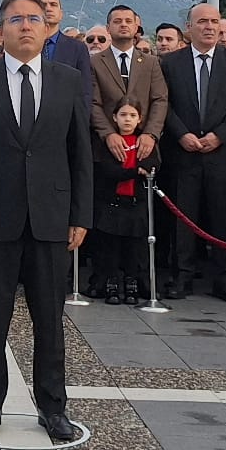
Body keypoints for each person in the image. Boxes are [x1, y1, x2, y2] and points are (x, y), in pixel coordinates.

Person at [0, 0, 92, 442]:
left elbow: (79, 153)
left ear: (47, 28)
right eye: (15, 20)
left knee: (50, 319)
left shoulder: (67, 79)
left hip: (50, 216)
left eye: (34, 18)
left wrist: (80, 214)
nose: (25, 25)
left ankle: (53, 407)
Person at [159, 2, 226, 303]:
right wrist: (182, 133)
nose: (210, 26)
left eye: (214, 21)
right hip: (183, 151)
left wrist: (220, 135)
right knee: (183, 217)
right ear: (189, 27)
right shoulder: (171, 63)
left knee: (223, 216)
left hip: (222, 152)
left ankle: (225, 278)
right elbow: (165, 104)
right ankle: (182, 275)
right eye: (202, 21)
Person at [89, 100, 155, 304]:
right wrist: (134, 171)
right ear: (115, 118)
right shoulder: (107, 144)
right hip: (112, 203)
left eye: (133, 116)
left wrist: (136, 172)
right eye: (124, 115)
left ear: (140, 119)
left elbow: (152, 166)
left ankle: (132, 283)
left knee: (133, 248)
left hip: (135, 203)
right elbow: (109, 171)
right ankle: (110, 283)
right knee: (110, 247)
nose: (128, 119)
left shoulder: (144, 142)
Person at [90, 4, 169, 169]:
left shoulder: (151, 62)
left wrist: (151, 134)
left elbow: (160, 99)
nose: (123, 24)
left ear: (136, 27)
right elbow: (92, 103)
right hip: (106, 147)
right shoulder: (95, 62)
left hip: (143, 145)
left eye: (128, 21)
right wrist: (108, 134)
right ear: (108, 28)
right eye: (117, 21)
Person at [38, 0, 95, 107]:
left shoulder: (77, 48)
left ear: (61, 14)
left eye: (53, 4)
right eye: (43, 5)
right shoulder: (25, 46)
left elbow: (85, 91)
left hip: (65, 116)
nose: (48, 8)